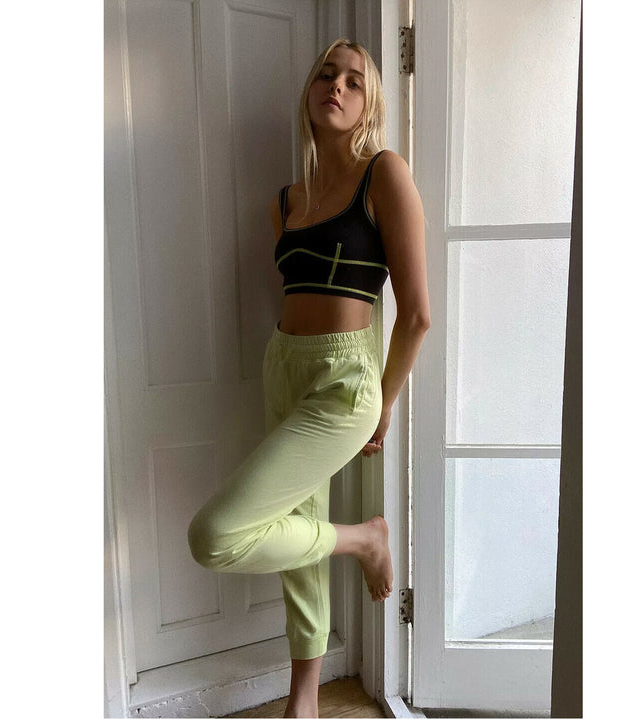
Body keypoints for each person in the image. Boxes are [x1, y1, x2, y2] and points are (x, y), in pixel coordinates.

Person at [188, 38, 430, 719]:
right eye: (327, 74)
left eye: (354, 80)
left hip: (345, 381)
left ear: (370, 103)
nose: (337, 85)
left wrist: (383, 403)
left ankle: (365, 538)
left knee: (215, 535)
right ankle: (305, 698)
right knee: (297, 527)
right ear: (309, 93)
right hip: (283, 365)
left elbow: (416, 315)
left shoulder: (384, 174)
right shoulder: (285, 203)